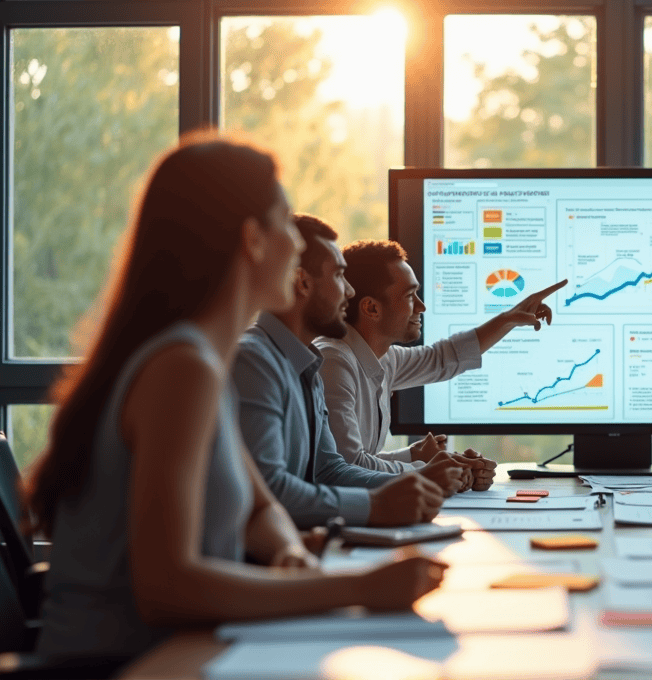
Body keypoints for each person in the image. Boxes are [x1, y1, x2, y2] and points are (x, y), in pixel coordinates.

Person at [23, 135, 446, 658]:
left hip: (186, 649)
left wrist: (290, 551)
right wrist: (358, 588)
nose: (296, 246)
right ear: (253, 241)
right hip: (131, 667)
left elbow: (259, 507)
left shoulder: (204, 362)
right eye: (286, 225)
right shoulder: (183, 368)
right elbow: (166, 588)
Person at [232, 214, 456, 530]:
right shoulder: (254, 362)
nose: (349, 292)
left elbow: (330, 470)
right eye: (339, 275)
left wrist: (418, 478)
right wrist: (377, 504)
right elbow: (271, 489)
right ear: (304, 283)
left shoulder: (306, 363)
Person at [315, 238, 566, 486]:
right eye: (410, 296)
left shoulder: (382, 358)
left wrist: (419, 457)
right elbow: (347, 468)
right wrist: (432, 469)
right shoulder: (334, 363)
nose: (421, 307)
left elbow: (441, 359)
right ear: (371, 308)